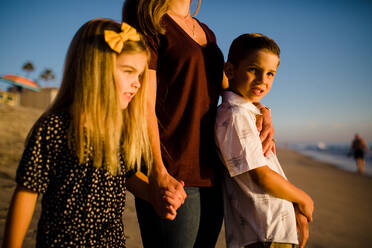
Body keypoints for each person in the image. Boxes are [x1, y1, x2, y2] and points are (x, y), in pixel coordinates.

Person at [2, 19, 181, 248]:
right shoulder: (56, 127)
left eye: (139, 75)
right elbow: (28, 191)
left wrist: (155, 195)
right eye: (128, 72)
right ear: (95, 70)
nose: (137, 84)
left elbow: (126, 176)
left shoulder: (120, 129)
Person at [122, 1, 276, 247]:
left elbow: (232, 90)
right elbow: (141, 106)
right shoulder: (151, 25)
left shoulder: (207, 32)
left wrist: (263, 110)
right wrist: (158, 173)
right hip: (172, 171)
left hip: (212, 173)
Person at [215, 33, 314, 248]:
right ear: (230, 70)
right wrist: (304, 198)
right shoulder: (235, 115)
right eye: (253, 70)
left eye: (270, 74)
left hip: (269, 228)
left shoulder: (247, 112)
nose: (263, 80)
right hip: (264, 230)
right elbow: (260, 176)